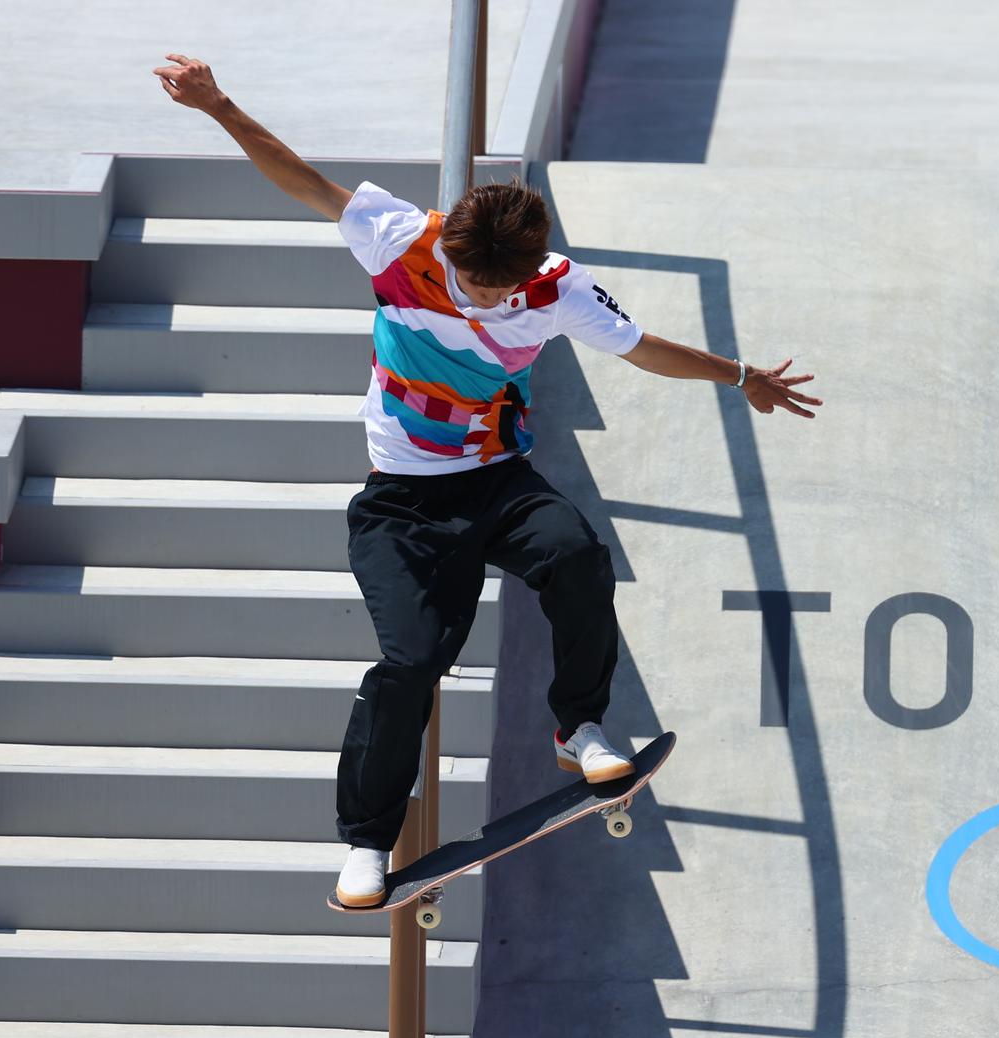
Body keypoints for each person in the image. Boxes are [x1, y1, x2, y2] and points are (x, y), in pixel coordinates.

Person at [154, 54, 822, 906]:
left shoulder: (559, 287)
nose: (486, 300)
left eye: (503, 290)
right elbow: (304, 181)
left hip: (499, 482)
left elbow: (643, 347)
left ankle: (578, 727)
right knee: (411, 663)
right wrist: (219, 105)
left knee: (578, 556)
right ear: (451, 250)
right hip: (400, 504)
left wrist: (740, 375)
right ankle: (367, 841)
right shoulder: (400, 239)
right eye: (473, 284)